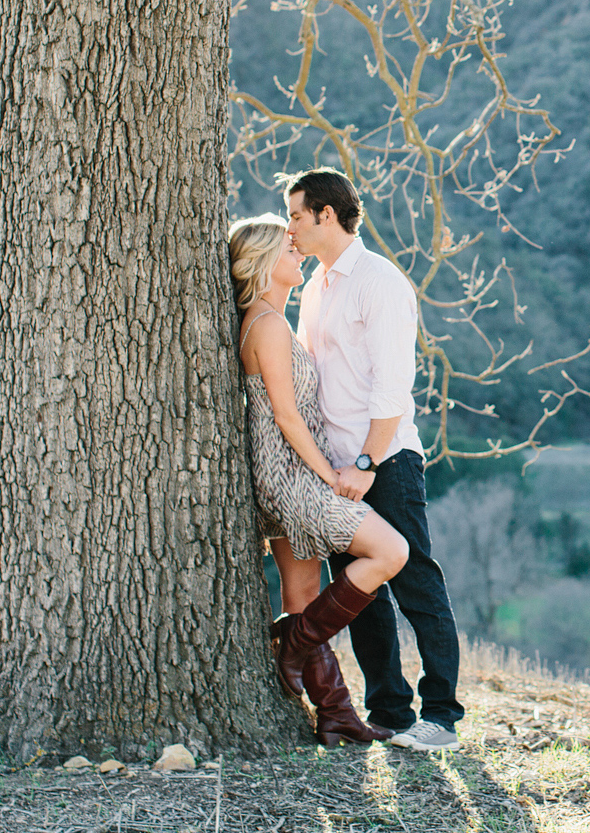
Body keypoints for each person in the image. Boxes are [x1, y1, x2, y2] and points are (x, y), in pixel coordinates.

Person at [284, 167, 465, 752]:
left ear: (325, 215)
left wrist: (365, 462)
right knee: (359, 593)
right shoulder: (314, 289)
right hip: (334, 469)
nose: (290, 227)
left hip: (383, 460)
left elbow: (393, 389)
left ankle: (442, 717)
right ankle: (389, 711)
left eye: (295, 215)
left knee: (414, 579)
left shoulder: (379, 281)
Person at [229, 215, 410, 746]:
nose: (299, 253)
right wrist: (327, 473)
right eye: (289, 248)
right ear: (264, 263)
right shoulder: (267, 325)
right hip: (291, 475)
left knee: (304, 592)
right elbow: (286, 416)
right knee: (390, 552)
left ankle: (335, 714)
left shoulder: (266, 319)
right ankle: (293, 645)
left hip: (279, 472)